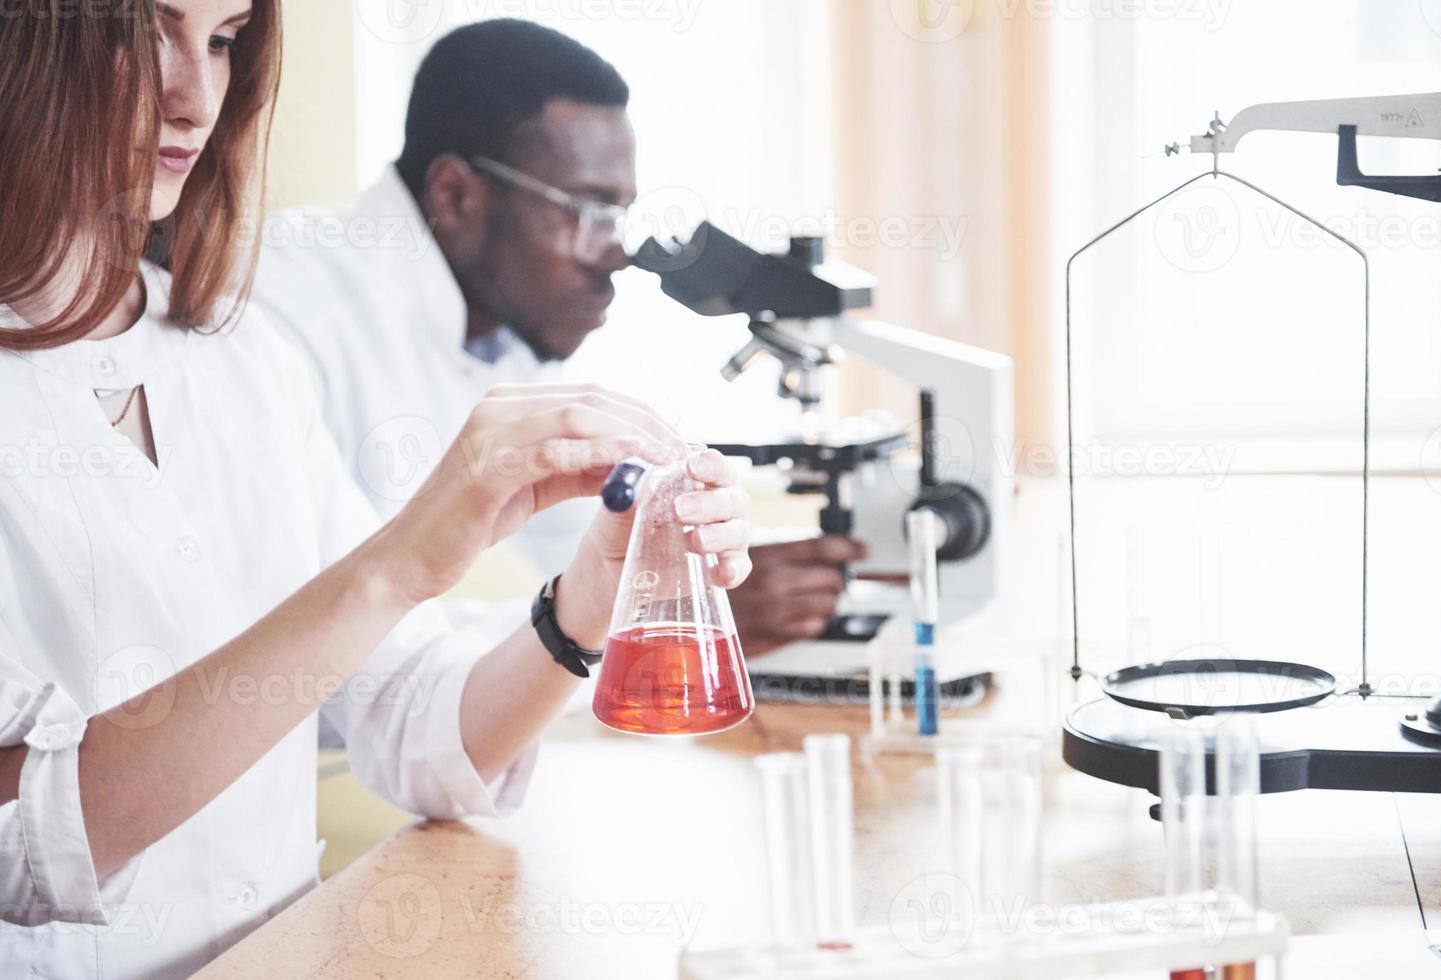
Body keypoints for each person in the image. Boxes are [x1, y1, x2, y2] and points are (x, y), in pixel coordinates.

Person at [0, 2, 750, 976]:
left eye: (223, 41)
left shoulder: (238, 355)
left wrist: (589, 598)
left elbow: (410, 719)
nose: (195, 98)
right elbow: (26, 837)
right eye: (141, 36)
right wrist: (391, 567)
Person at [254, 18, 865, 658]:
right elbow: (319, 654)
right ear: (456, 194)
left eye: (622, 213)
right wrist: (666, 616)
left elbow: (594, 546)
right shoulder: (284, 317)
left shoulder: (493, 330)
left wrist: (716, 572)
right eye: (590, 210)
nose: (619, 255)